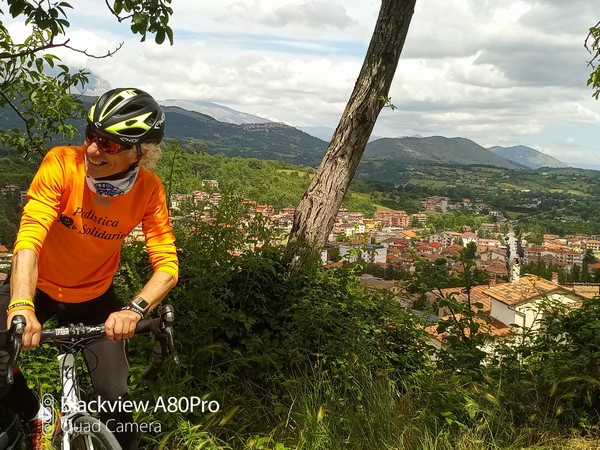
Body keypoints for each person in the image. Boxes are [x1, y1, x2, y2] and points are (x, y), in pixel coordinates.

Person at [0, 88, 179, 450]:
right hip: (36, 286)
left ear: (141, 152)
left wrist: (135, 308)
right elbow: (30, 237)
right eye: (92, 135)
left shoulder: (148, 189)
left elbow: (168, 265)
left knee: (116, 404)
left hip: (95, 297)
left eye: (110, 145)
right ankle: (35, 415)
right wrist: (21, 303)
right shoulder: (61, 163)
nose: (94, 149)